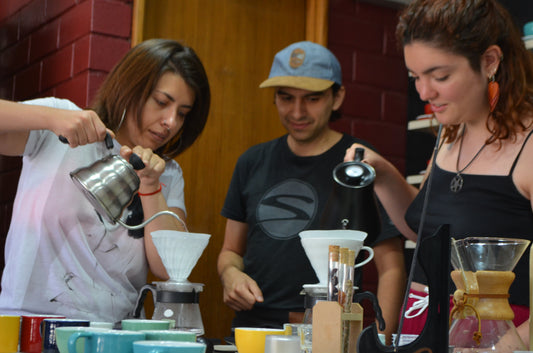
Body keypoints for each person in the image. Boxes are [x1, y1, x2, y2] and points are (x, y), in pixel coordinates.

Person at [344, 0, 533, 348]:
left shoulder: (529, 149)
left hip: (494, 336)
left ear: (490, 62)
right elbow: (426, 230)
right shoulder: (451, 132)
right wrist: (383, 173)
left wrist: (503, 347)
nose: (424, 93)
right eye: (416, 77)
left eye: (440, 76)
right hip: (425, 327)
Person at [0, 38, 211, 323]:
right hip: (30, 325)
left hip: (116, 334)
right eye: (161, 102)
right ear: (130, 87)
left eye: (182, 113)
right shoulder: (60, 123)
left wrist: (150, 186)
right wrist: (50, 117)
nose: (170, 122)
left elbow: (169, 268)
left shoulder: (167, 173)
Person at [217, 41, 406, 342]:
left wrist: (383, 341)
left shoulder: (357, 163)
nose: (297, 111)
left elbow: (391, 266)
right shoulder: (252, 161)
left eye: (312, 98)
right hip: (252, 330)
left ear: (337, 96)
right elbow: (230, 252)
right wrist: (231, 275)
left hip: (327, 333)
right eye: (285, 97)